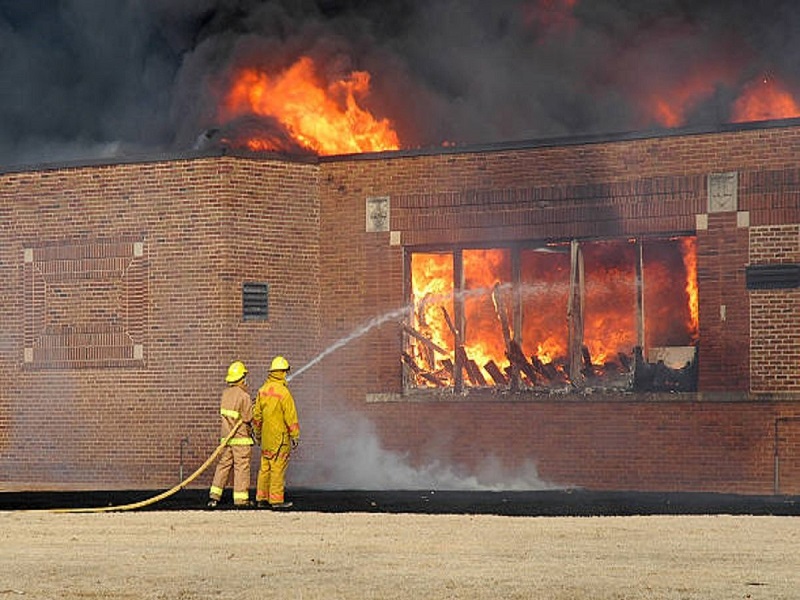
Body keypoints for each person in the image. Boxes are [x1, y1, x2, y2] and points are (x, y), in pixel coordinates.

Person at [253, 355, 300, 509]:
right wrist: (295, 436)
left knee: (265, 468)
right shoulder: (284, 393)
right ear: (282, 372)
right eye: (285, 371)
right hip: (280, 439)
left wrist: (258, 435)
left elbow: (257, 416)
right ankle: (276, 501)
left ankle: (261, 498)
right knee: (277, 469)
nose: (287, 374)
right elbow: (290, 417)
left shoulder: (262, 391)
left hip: (266, 438)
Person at [208, 360, 254, 509]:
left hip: (226, 439)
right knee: (241, 468)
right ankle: (241, 500)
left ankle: (214, 496)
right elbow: (248, 418)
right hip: (240, 439)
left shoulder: (225, 394)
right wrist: (253, 405)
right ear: (241, 378)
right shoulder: (244, 396)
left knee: (223, 466)